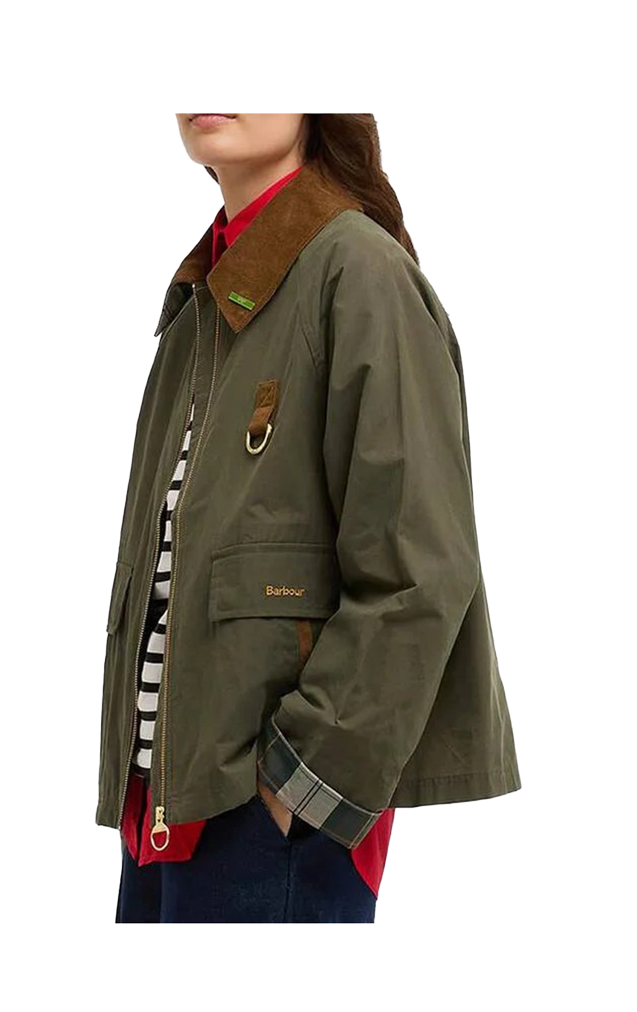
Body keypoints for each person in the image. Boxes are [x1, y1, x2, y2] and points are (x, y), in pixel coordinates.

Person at [97, 113, 521, 923]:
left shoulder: (358, 272)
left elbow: (420, 571)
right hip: (166, 805)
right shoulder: (203, 295)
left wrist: (299, 784)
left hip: (273, 820)